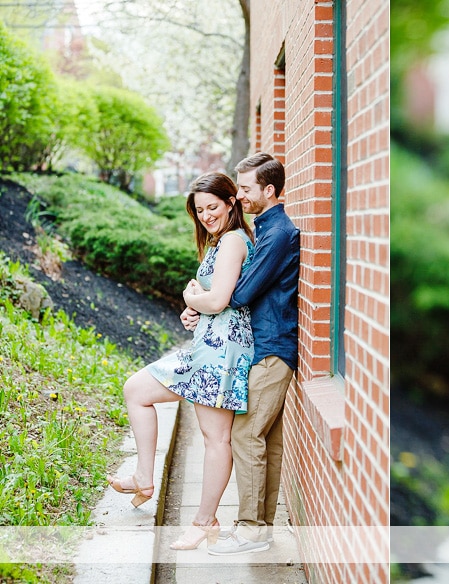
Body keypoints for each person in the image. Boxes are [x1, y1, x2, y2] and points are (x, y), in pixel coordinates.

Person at [107, 172, 255, 551]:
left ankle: (205, 521)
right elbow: (210, 300)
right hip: (205, 344)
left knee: (215, 437)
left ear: (231, 203)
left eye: (213, 207)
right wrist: (193, 311)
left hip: (224, 350)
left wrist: (194, 301)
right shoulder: (217, 243)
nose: (206, 215)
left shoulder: (235, 241)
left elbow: (219, 299)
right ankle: (143, 476)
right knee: (137, 389)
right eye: (200, 209)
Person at [182, 152, 301, 556]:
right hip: (265, 346)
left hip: (272, 348)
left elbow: (243, 292)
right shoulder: (264, 229)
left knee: (246, 433)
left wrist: (198, 296)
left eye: (247, 189)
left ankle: (251, 531)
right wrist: (202, 299)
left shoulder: (278, 233)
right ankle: (259, 528)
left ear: (269, 190)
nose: (242, 196)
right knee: (265, 438)